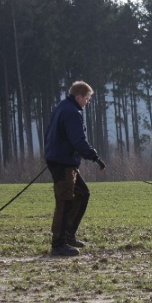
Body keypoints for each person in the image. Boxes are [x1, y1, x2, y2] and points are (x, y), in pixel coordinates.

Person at [44, 81, 106, 256]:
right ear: (79, 97)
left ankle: (68, 234)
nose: (88, 102)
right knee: (64, 201)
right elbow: (78, 140)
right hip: (62, 163)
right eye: (87, 98)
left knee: (82, 193)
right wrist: (94, 157)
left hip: (62, 160)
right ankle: (58, 244)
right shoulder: (72, 113)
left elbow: (51, 134)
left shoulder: (61, 108)